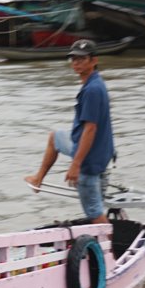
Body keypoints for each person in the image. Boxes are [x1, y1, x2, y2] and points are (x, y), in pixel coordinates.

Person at [24, 39, 115, 223]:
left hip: (89, 160)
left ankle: (109, 248)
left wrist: (76, 164)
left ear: (93, 60)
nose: (76, 63)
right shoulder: (93, 83)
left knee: (94, 212)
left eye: (82, 59)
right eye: (73, 59)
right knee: (55, 137)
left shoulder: (92, 90)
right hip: (95, 151)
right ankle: (38, 178)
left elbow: (90, 129)